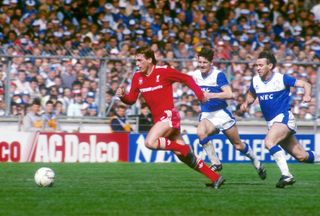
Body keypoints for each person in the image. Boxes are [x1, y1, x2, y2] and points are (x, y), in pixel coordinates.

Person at [116, 46, 224, 189]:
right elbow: (131, 99)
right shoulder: (137, 77)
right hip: (160, 121)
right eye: (136, 61)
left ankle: (183, 149)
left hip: (169, 117)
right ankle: (216, 177)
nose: (137, 64)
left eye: (140, 60)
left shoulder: (164, 72)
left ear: (149, 59)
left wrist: (199, 95)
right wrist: (123, 96)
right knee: (184, 156)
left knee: (150, 142)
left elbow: (187, 78)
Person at [240, 50, 320, 188]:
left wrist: (307, 95)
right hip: (273, 123)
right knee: (302, 156)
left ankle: (287, 176)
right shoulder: (255, 81)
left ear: (270, 66)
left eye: (260, 65)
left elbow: (306, 84)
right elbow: (251, 94)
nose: (257, 68)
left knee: (269, 142)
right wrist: (246, 103)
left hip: (284, 118)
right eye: (256, 65)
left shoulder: (281, 78)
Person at [189, 47, 266, 180]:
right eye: (200, 62)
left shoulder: (218, 75)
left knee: (238, 145)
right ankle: (216, 163)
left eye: (204, 62)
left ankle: (256, 162)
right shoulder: (195, 75)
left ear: (211, 63)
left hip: (221, 114)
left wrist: (211, 95)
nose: (201, 65)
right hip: (207, 114)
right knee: (201, 132)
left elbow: (230, 94)